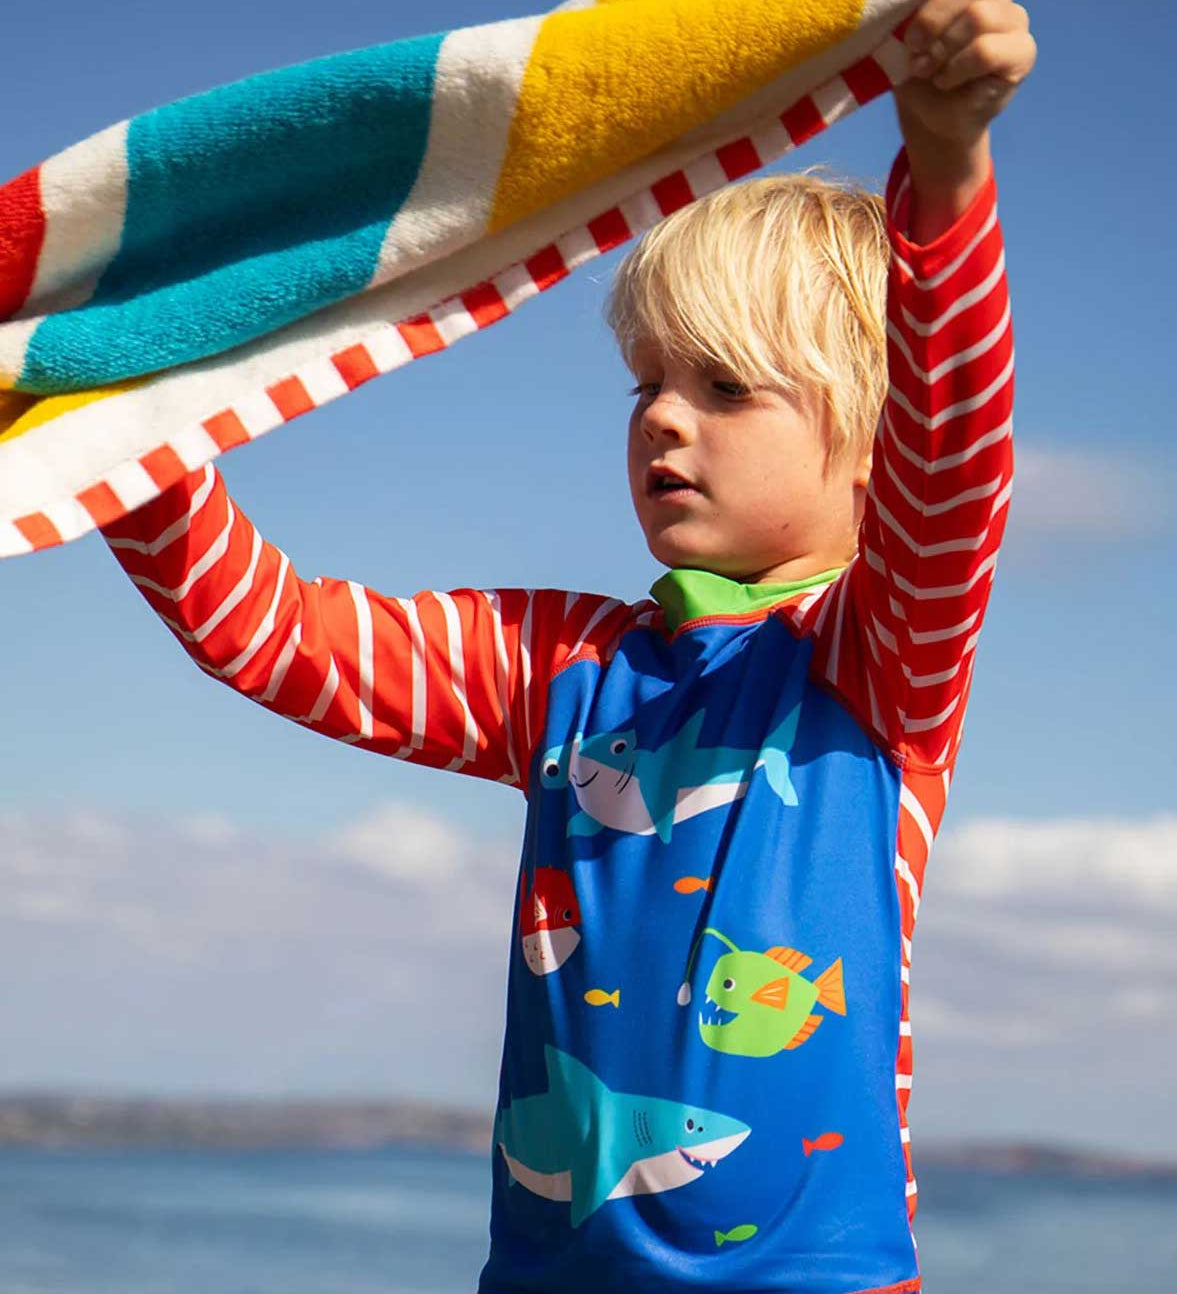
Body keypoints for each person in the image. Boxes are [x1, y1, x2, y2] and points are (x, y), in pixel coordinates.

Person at [100, 1, 1037, 1289]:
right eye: (646, 382)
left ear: (874, 431)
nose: (663, 420)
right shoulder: (566, 669)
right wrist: (128, 430)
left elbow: (955, 462)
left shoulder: (879, 659)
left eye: (724, 386)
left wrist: (944, 172)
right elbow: (273, 636)